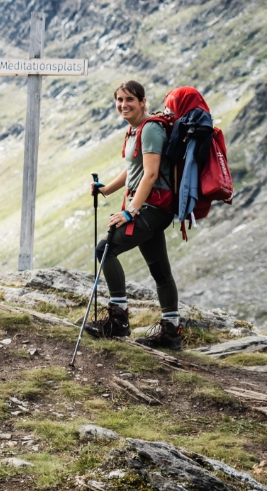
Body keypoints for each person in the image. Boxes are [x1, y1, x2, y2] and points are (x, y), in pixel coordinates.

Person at [86, 81, 183, 350]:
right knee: (160, 272)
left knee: (106, 249)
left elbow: (150, 174)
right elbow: (133, 169)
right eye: (119, 99)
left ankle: (118, 322)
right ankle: (171, 334)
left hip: (153, 207)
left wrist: (130, 212)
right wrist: (106, 189)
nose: (123, 104)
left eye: (129, 99)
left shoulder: (150, 129)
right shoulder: (134, 130)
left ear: (142, 101)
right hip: (150, 207)